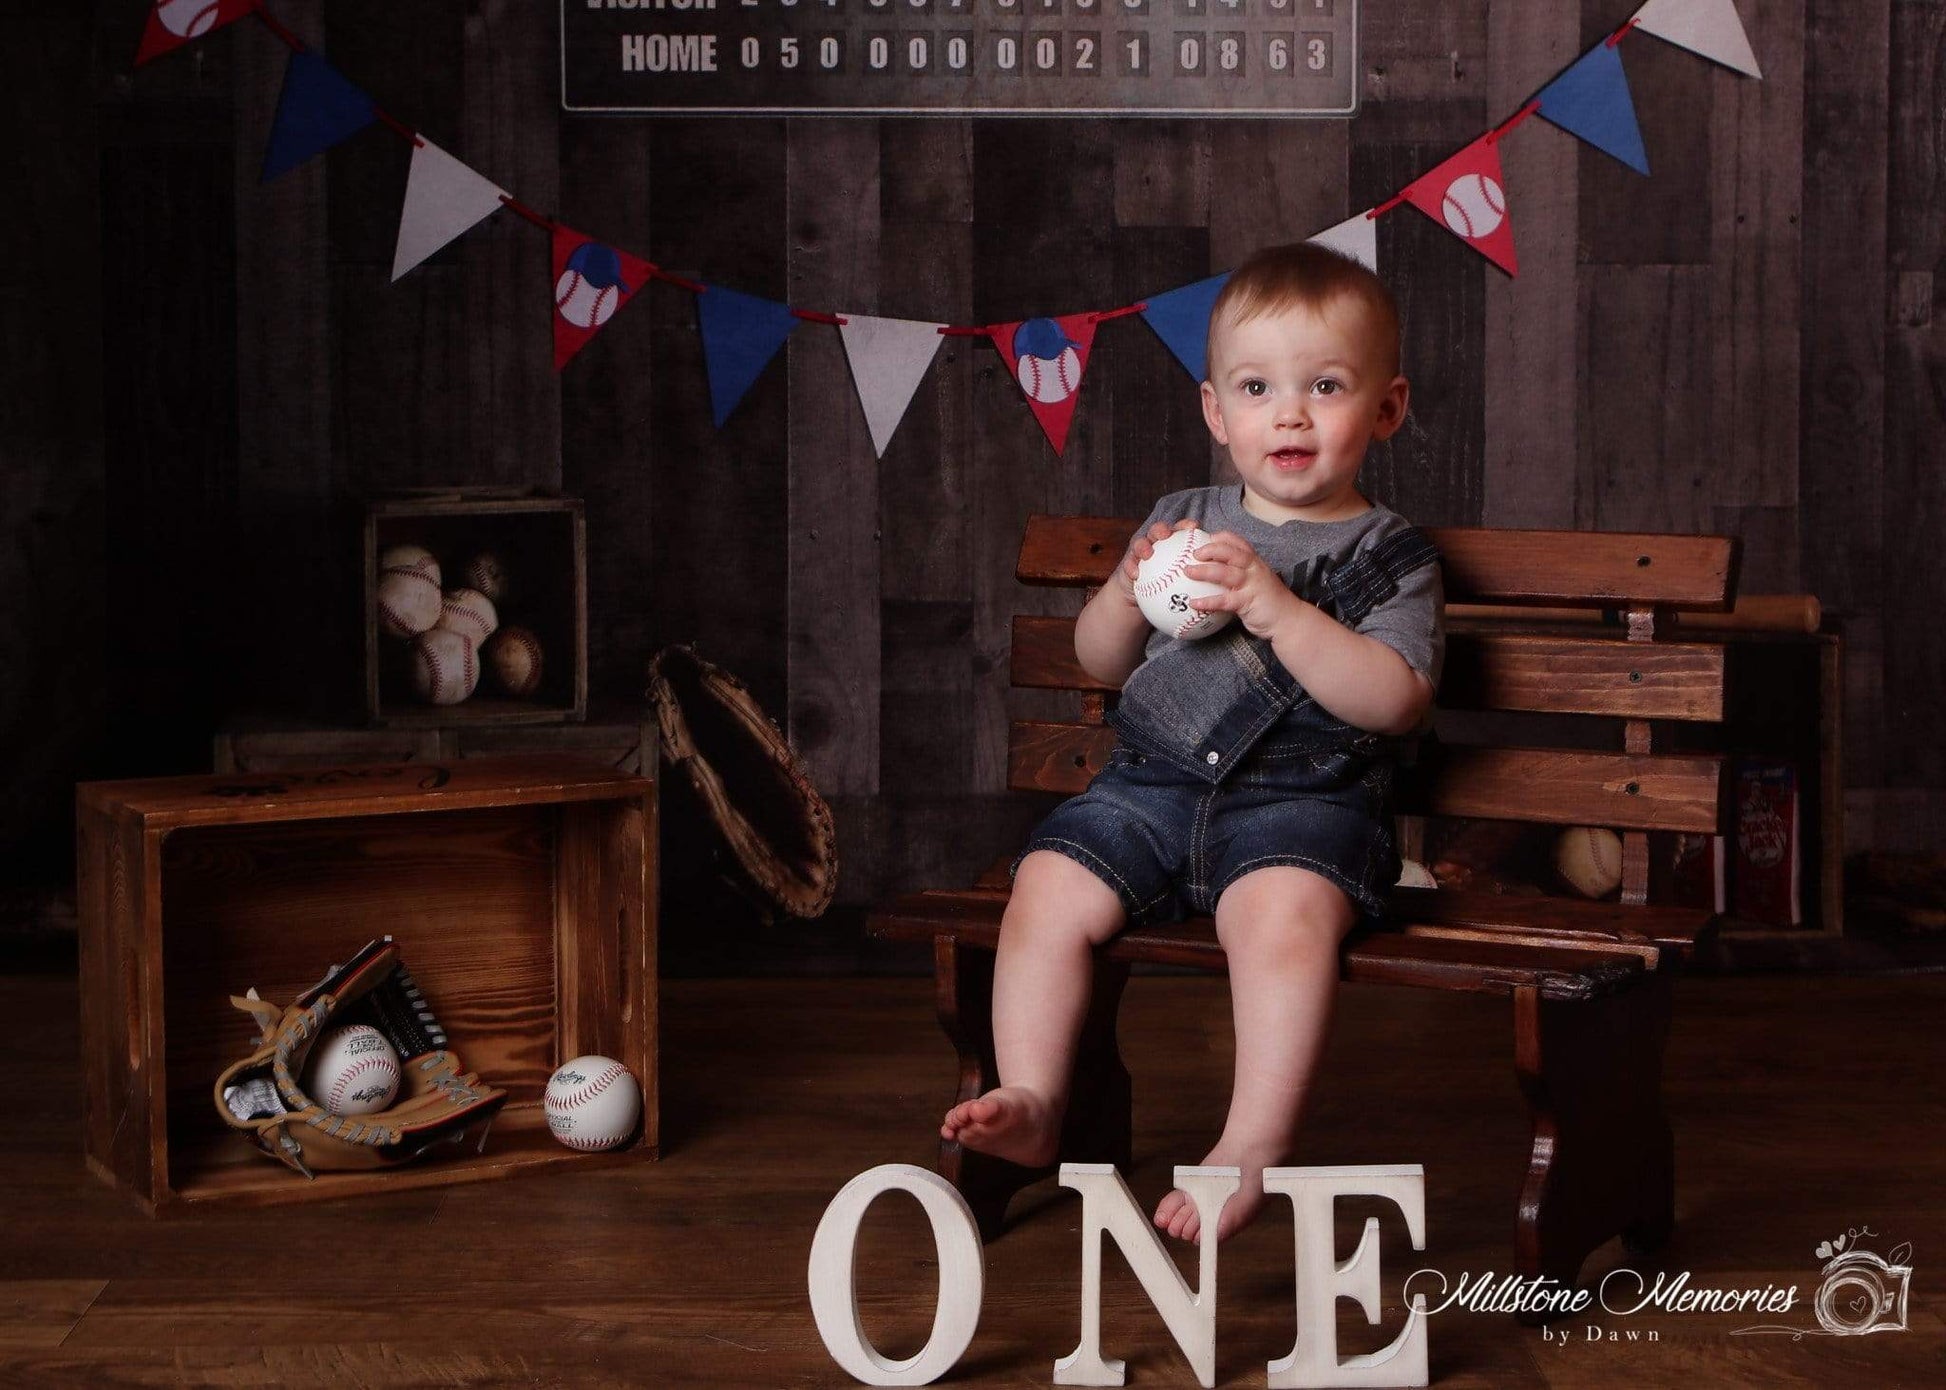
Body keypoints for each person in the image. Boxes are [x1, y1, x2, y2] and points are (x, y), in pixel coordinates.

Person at [940, 241, 1445, 1244]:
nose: (1289, 413)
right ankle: (1037, 1096)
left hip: (1305, 806)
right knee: (1045, 883)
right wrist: (1122, 592)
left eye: (1325, 385)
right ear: (1217, 412)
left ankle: (1249, 1141)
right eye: (1257, 387)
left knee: (1281, 919)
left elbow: (1393, 700)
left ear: (1384, 409)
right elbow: (1098, 659)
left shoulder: (1386, 552)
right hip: (1152, 789)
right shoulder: (1181, 522)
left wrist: (1275, 608)